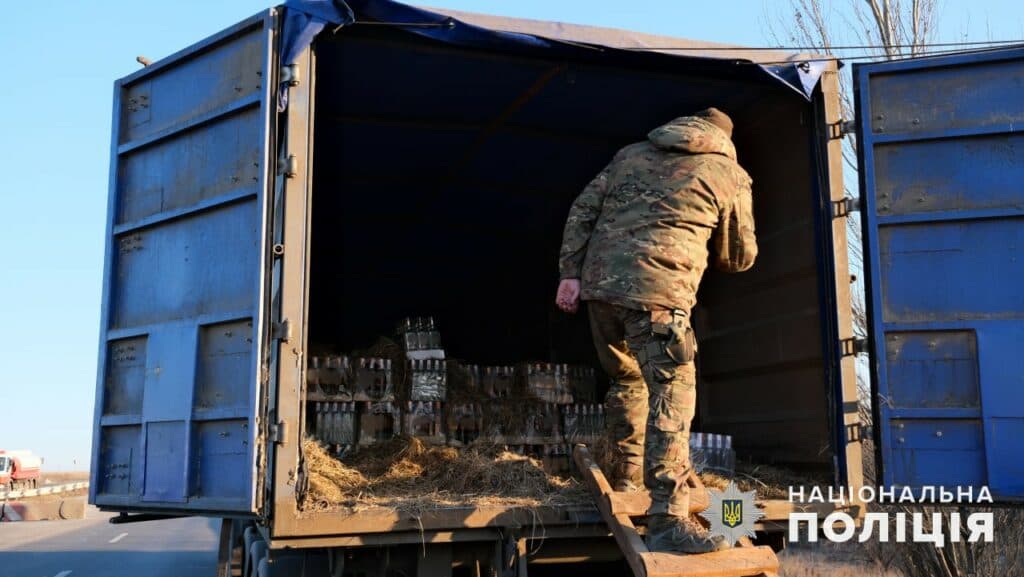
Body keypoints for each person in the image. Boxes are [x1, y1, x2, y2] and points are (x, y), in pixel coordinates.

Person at [555, 108, 757, 554]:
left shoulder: (629, 155)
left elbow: (582, 210)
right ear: (725, 139)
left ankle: (627, 476)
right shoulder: (729, 172)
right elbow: (739, 256)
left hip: (601, 290)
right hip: (659, 298)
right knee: (672, 396)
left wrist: (569, 274)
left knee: (627, 380)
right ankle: (667, 519)